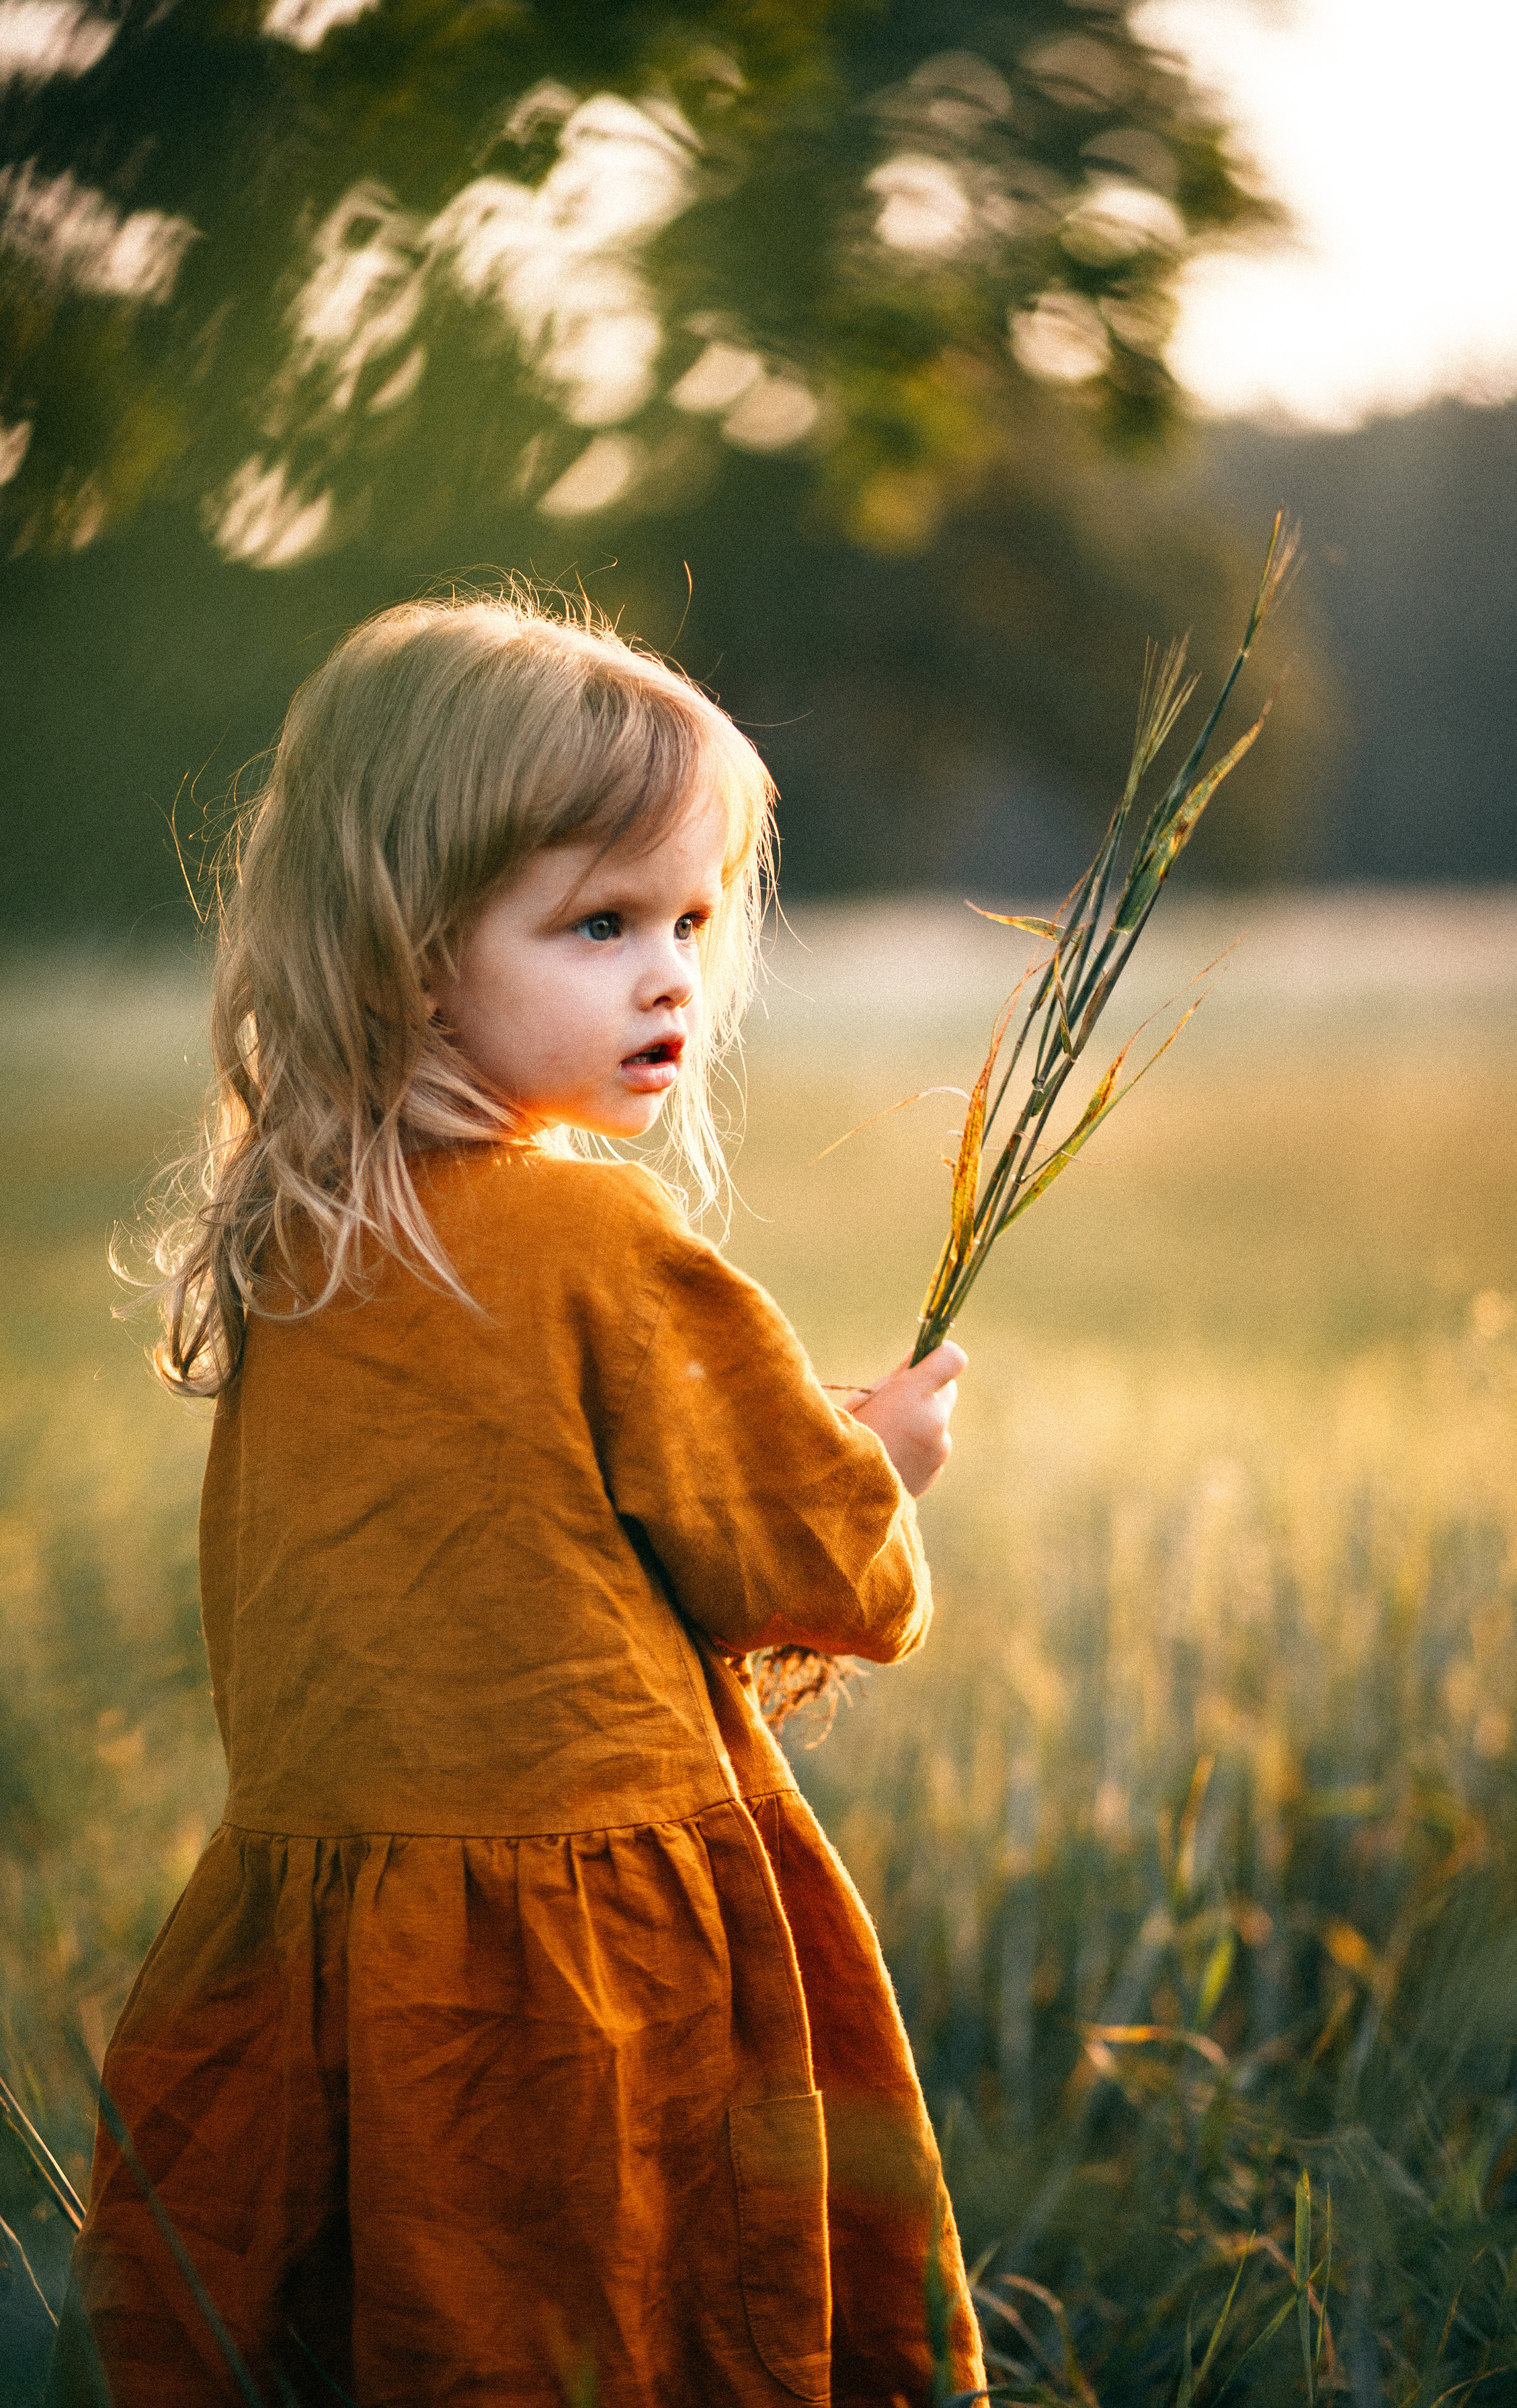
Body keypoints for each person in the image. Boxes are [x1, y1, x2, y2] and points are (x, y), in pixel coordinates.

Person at [50, 593, 983, 2408]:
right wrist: (881, 1466)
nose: (672, 979)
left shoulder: (303, 1238)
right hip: (581, 1976)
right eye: (600, 923)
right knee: (623, 2321)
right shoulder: (588, 1233)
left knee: (396, 2329)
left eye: (693, 922)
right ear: (412, 956)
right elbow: (805, 1568)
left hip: (331, 1949)